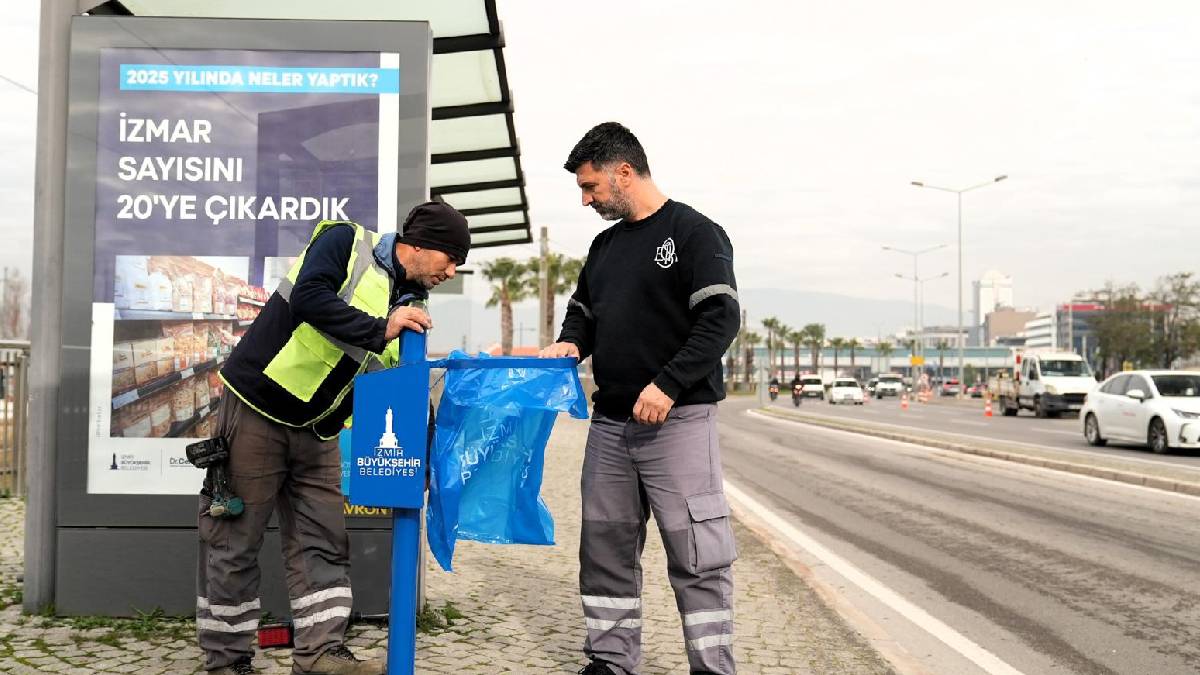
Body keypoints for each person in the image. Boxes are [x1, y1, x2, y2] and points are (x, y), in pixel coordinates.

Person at [197, 202, 470, 675]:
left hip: (318, 431)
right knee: (234, 540)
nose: (454, 270)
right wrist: (380, 328)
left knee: (323, 540)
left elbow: (399, 380)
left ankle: (321, 653)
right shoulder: (346, 242)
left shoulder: (410, 303)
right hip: (259, 410)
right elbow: (309, 298)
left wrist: (423, 446)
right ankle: (227, 661)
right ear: (423, 245)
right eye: (452, 258)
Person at [541, 122, 740, 675]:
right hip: (610, 425)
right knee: (603, 548)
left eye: (591, 187)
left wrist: (669, 384)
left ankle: (712, 667)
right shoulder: (604, 247)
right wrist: (570, 343)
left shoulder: (696, 234)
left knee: (696, 552)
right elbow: (584, 311)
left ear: (624, 172)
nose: (586, 200)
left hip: (676, 419)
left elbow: (721, 317)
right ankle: (610, 661)